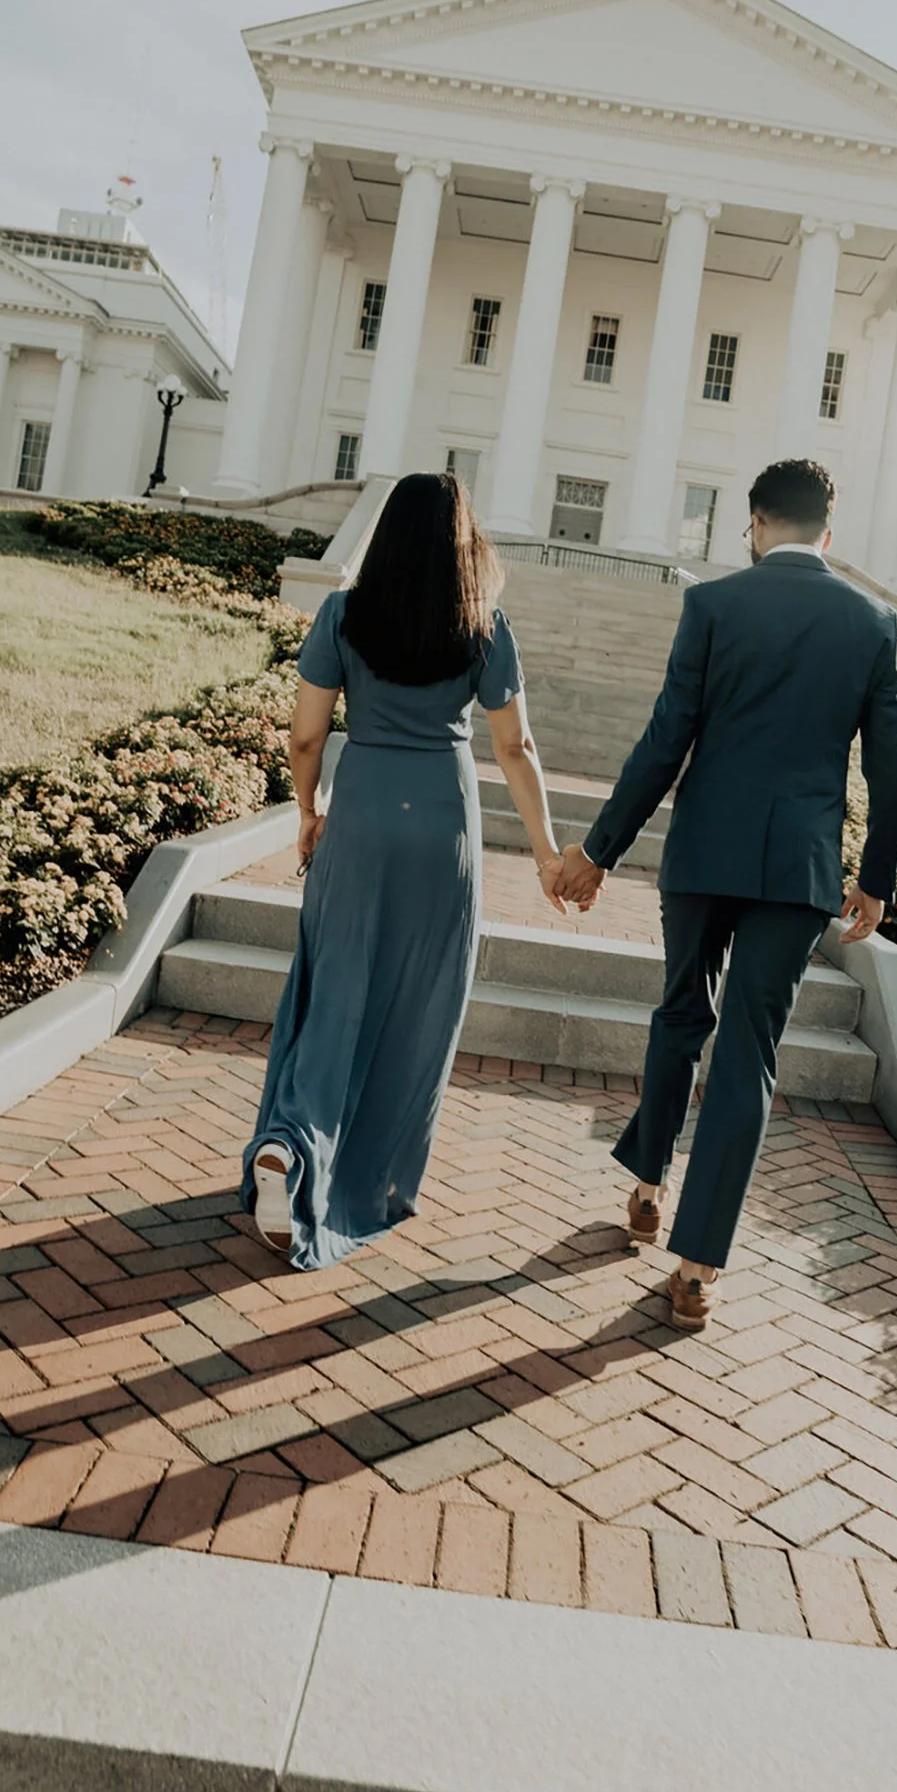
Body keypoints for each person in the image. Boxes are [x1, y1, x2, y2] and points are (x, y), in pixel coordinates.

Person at [556, 458, 897, 1332]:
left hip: (703, 853)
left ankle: (647, 1183)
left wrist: (599, 850)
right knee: (748, 1051)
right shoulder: (873, 621)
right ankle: (697, 1264)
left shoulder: (712, 605)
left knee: (682, 1011)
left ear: (752, 523)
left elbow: (664, 740)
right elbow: (891, 765)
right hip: (796, 871)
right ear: (828, 535)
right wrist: (875, 878)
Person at [241, 472, 566, 1270]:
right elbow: (515, 747)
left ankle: (292, 1141)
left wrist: (309, 813)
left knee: (337, 988)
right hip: (443, 826)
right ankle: (365, 1173)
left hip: (361, 816)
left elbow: (306, 739)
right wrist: (549, 852)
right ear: (464, 538)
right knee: (419, 1004)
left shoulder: (344, 613)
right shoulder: (484, 625)